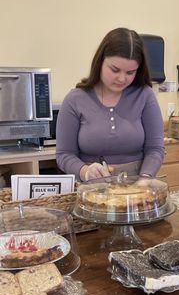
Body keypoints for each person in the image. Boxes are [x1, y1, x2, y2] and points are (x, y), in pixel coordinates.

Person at [56, 27, 164, 181]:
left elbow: (155, 149)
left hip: (138, 188)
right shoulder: (75, 100)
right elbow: (64, 155)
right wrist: (84, 171)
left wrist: (145, 179)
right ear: (100, 62)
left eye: (130, 73)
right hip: (91, 191)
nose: (121, 79)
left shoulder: (145, 96)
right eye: (115, 70)